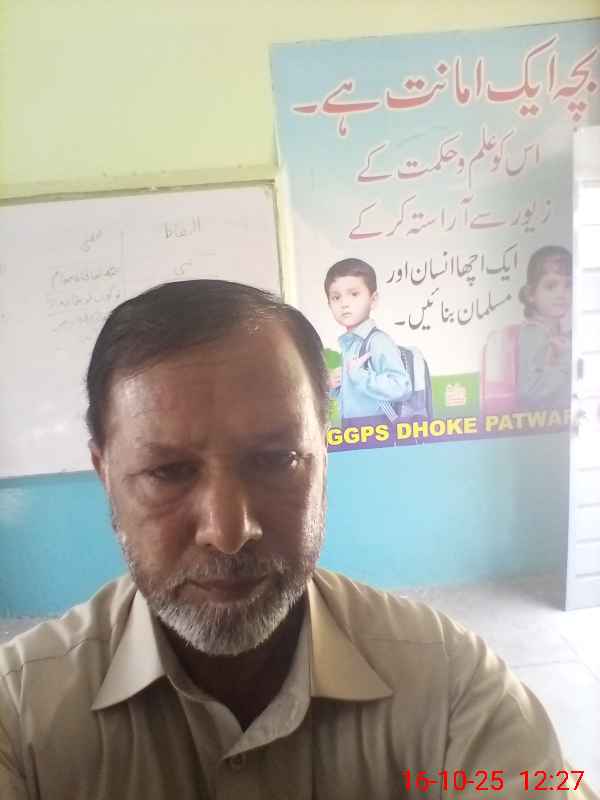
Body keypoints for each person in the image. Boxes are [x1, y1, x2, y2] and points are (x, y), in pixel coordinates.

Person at [0, 279, 596, 800]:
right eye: (169, 472)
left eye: (276, 459)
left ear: (324, 458)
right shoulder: (18, 716)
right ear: (105, 475)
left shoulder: (452, 688)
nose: (228, 532)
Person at [325, 258, 412, 422]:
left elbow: (401, 387)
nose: (344, 303)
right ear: (329, 304)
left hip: (377, 431)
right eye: (336, 297)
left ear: (373, 300)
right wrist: (333, 386)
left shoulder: (378, 342)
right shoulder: (349, 344)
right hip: (353, 430)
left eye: (354, 294)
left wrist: (359, 376)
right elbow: (357, 397)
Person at [516, 245, 572, 409]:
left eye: (568, 285)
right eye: (551, 286)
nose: (561, 294)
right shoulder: (532, 333)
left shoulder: (558, 331)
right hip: (542, 420)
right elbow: (529, 392)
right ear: (531, 294)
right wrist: (564, 360)